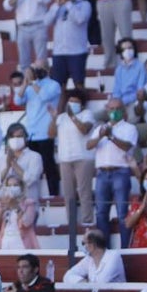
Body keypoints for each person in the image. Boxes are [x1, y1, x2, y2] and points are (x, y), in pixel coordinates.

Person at [87, 96, 136, 248]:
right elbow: (89, 145)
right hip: (102, 173)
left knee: (122, 213)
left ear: (122, 110)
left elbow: (127, 146)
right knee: (101, 213)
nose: (114, 111)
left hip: (120, 171)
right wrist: (101, 135)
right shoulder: (100, 129)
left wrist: (111, 136)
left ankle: (125, 248)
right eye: (111, 108)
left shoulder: (129, 128)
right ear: (107, 110)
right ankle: (104, 249)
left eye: (117, 108)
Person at [11, 65, 60, 196]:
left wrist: (32, 82)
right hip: (31, 132)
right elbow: (17, 100)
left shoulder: (53, 85)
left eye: (39, 68)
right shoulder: (29, 86)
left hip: (45, 131)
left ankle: (54, 194)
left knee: (49, 165)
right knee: (31, 167)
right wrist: (25, 83)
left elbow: (44, 96)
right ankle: (31, 196)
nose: (36, 71)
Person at [51, 89, 95, 226]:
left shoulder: (87, 114)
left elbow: (84, 129)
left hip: (83, 158)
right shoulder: (61, 117)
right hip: (65, 159)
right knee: (68, 194)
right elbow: (51, 134)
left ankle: (87, 221)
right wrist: (53, 119)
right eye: (71, 101)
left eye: (76, 102)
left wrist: (73, 117)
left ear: (82, 105)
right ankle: (71, 223)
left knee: (84, 192)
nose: (73, 104)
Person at [3, 0, 51, 72]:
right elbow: (7, 5)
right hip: (22, 28)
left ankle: (43, 86)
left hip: (38, 26)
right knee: (24, 62)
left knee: (41, 60)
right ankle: (27, 86)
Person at [47, 0, 92, 94]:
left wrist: (68, 3)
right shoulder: (57, 6)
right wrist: (57, 5)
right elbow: (46, 22)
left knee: (79, 85)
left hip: (77, 51)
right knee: (59, 87)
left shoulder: (85, 4)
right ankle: (59, 112)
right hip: (59, 52)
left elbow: (80, 19)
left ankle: (80, 109)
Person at [0, 122, 43, 203]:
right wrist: (7, 168)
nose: (16, 140)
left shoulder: (35, 157)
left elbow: (31, 180)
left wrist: (13, 164)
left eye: (19, 137)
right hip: (5, 208)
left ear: (25, 138)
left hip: (27, 207)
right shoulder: (1, 159)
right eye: (12, 137)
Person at [0, 175, 38, 250]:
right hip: (5, 241)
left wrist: (15, 206)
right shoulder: (3, 203)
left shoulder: (29, 203)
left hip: (22, 242)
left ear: (21, 188)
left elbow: (26, 223)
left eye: (15, 185)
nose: (12, 188)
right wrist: (1, 209)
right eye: (9, 186)